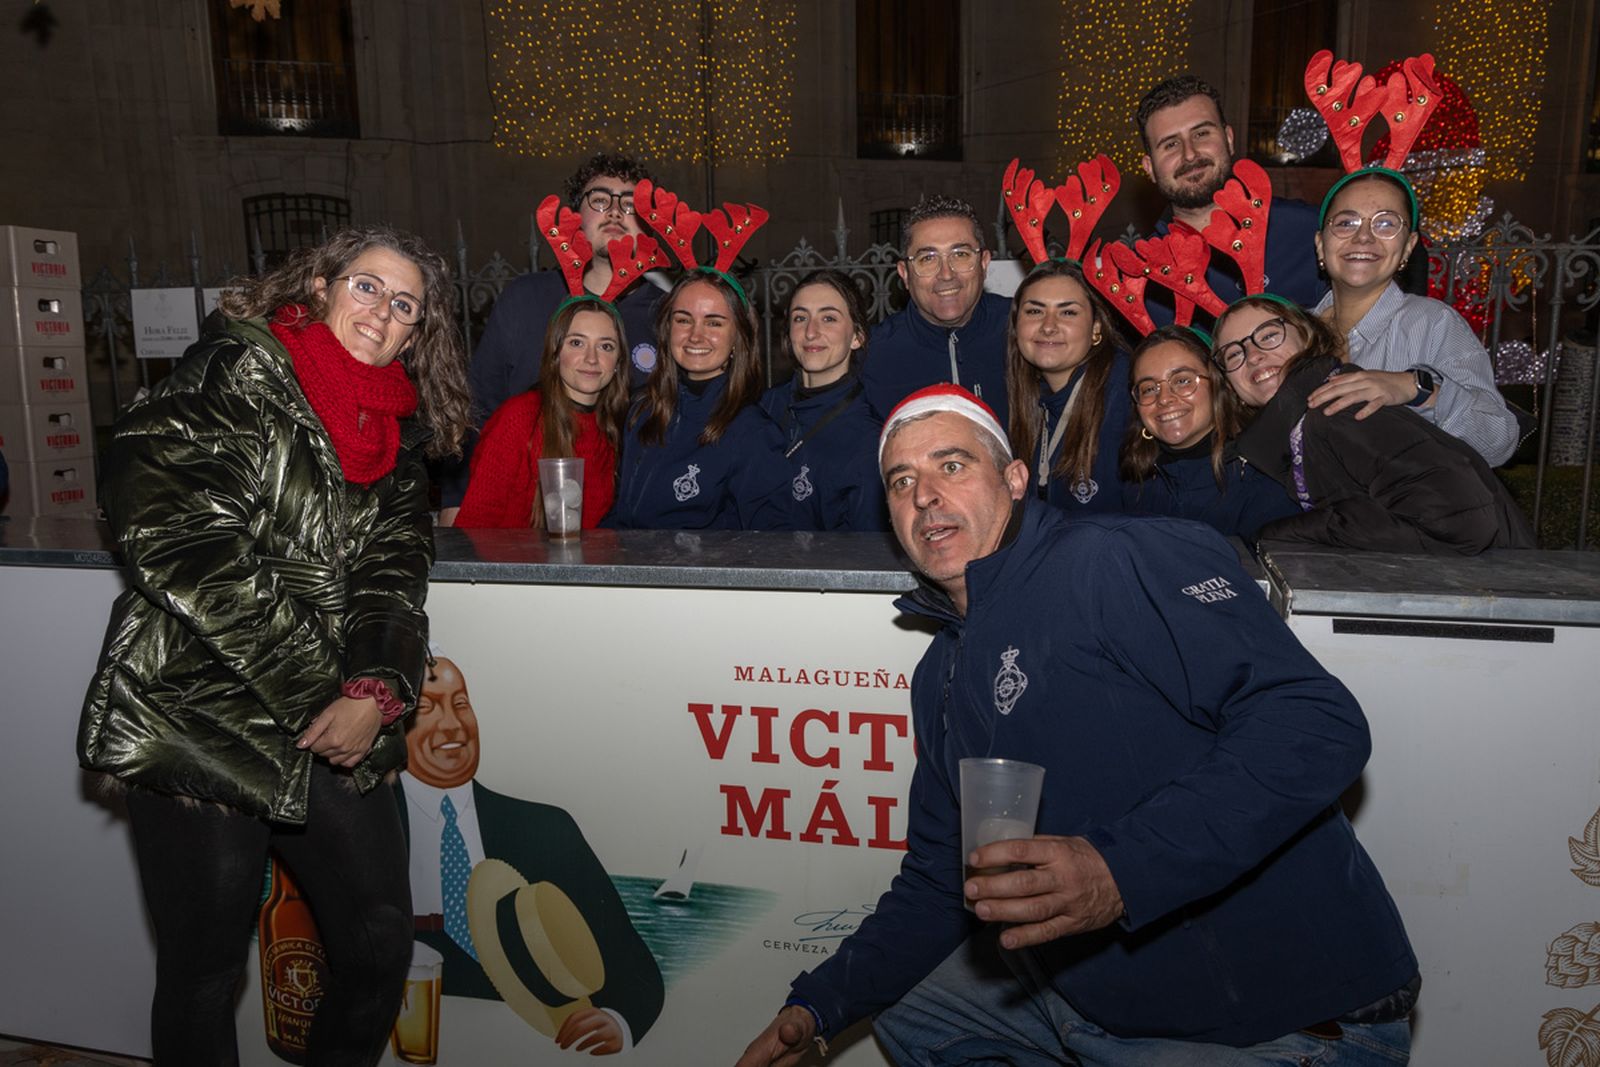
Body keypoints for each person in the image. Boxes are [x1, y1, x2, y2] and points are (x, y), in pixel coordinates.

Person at [736, 383, 1420, 1067]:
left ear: (1013, 479)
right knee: (915, 1007)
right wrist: (821, 1005)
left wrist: (1120, 869)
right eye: (901, 480)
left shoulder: (1114, 558)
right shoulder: (942, 668)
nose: (925, 496)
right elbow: (942, 878)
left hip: (1281, 1022)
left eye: (952, 465)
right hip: (1098, 1004)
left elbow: (1316, 723)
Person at [77, 225, 472, 1066]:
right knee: (205, 974)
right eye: (368, 286)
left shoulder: (395, 434)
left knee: (379, 946)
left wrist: (375, 689)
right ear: (322, 286)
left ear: (417, 333)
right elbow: (179, 534)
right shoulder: (233, 371)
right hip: (199, 714)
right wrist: (322, 693)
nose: (383, 311)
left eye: (406, 305)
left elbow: (395, 576)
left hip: (331, 714)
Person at [395, 652, 664, 1053]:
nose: (452, 724)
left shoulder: (545, 827)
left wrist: (619, 1023)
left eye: (461, 703)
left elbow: (633, 966)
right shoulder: (364, 825)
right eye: (427, 708)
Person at [1216, 295, 1534, 553]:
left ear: (1308, 337)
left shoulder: (1338, 409)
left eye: (1269, 336)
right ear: (1232, 387)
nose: (1253, 355)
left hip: (1498, 597)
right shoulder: (1300, 429)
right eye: (1233, 354)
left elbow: (1462, 521)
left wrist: (1287, 532)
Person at [443, 152, 666, 516]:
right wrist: (455, 501)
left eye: (630, 204)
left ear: (649, 224)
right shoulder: (526, 298)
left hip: (622, 518)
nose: (615, 211)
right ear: (576, 217)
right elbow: (476, 405)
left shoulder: (667, 315)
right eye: (599, 199)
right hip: (516, 515)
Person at [1309, 167, 1521, 467]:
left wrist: (1416, 390)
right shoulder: (1296, 332)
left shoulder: (1433, 324)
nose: (1364, 237)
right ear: (1321, 244)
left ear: (1408, 247)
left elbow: (1498, 441)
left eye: (1386, 224)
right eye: (1346, 222)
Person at [606, 270, 793, 529]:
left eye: (714, 323)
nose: (695, 335)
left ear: (738, 335)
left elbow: (771, 542)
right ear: (667, 329)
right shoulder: (643, 410)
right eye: (684, 320)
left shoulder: (753, 432)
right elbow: (622, 513)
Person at [1136, 74, 1324, 318]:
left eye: (1201, 134)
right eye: (1170, 144)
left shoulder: (1308, 230)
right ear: (1149, 167)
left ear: (1229, 139)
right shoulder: (1142, 278)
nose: (1190, 154)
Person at [454, 297, 628, 529]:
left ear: (618, 362)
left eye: (606, 346)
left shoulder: (618, 428)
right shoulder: (519, 419)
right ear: (555, 353)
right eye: (577, 343)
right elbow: (474, 526)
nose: (591, 358)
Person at [1121, 324, 1298, 543]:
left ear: (1218, 384)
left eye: (1182, 381)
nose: (1164, 398)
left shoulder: (1265, 480)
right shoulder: (1137, 481)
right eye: (1148, 389)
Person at [861, 194, 1011, 427]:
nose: (946, 274)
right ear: (905, 274)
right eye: (927, 258)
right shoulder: (872, 356)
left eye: (960, 255)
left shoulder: (1023, 331)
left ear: (983, 263)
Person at [759, 268, 887, 531]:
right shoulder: (765, 408)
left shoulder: (868, 440)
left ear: (857, 337)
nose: (810, 332)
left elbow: (866, 550)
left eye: (828, 318)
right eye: (800, 318)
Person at [1004, 259, 1131, 514]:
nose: (1048, 326)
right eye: (1035, 311)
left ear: (1096, 328)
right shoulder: (1029, 396)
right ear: (1017, 326)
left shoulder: (1127, 393)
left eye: (1068, 312)